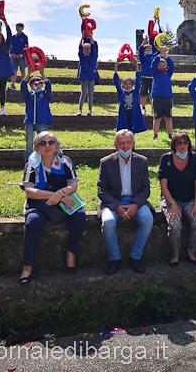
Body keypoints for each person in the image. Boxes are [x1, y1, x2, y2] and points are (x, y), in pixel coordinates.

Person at [20, 132, 85, 284]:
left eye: (51, 142)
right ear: (37, 148)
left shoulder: (65, 161)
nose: (47, 146)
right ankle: (27, 268)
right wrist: (55, 196)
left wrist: (60, 194)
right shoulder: (32, 165)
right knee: (33, 222)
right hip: (39, 205)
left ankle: (71, 255)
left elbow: (73, 185)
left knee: (80, 216)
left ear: (56, 145)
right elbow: (29, 192)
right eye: (43, 143)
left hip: (63, 201)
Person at [97, 129, 154, 275]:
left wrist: (136, 204)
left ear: (133, 144)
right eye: (121, 143)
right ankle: (114, 259)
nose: (125, 146)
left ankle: (135, 258)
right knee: (108, 223)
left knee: (147, 219)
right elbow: (102, 191)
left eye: (128, 142)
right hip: (113, 202)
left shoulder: (142, 161)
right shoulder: (106, 162)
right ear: (115, 145)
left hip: (136, 201)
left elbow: (145, 189)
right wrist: (116, 206)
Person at [159, 132, 196, 267]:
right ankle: (175, 254)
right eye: (179, 143)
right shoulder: (166, 158)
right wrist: (172, 205)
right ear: (174, 145)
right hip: (171, 198)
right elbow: (163, 186)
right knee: (175, 225)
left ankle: (191, 250)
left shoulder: (195, 157)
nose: (182, 145)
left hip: (190, 199)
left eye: (185, 142)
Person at [20, 68, 54, 163]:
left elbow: (49, 86)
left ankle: (43, 161)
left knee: (43, 142)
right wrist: (28, 74)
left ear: (42, 84)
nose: (36, 84)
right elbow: (23, 86)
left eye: (38, 83)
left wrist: (42, 74)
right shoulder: (29, 95)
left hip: (42, 120)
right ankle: (28, 162)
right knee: (29, 143)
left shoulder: (45, 95)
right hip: (30, 120)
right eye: (33, 83)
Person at [113, 59, 146, 134]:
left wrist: (136, 66)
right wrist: (116, 67)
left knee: (132, 133)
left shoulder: (135, 92)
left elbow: (138, 80)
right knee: (125, 132)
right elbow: (116, 82)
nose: (127, 85)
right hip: (124, 115)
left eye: (129, 84)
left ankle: (132, 141)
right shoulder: (121, 93)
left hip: (133, 114)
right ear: (122, 85)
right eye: (125, 83)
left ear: (132, 85)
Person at [151, 48, 174, 142]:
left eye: (163, 65)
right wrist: (160, 55)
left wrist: (166, 56)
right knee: (157, 118)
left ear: (166, 65)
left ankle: (170, 135)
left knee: (168, 118)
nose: (161, 67)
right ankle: (155, 135)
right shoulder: (155, 73)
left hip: (167, 98)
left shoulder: (168, 73)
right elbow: (153, 64)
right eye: (159, 65)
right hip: (157, 98)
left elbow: (172, 65)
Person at [76, 34, 99, 116]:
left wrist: (91, 37)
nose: (87, 50)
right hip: (84, 76)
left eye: (88, 48)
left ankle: (90, 110)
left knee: (90, 94)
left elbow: (93, 47)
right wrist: (82, 38)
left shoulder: (92, 55)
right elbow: (79, 47)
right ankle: (80, 110)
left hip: (91, 76)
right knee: (83, 93)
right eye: (85, 48)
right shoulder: (81, 56)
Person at [138, 36, 159, 116]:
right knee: (143, 95)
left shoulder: (154, 56)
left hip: (153, 78)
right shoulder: (143, 57)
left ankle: (153, 109)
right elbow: (140, 50)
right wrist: (144, 42)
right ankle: (143, 109)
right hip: (144, 78)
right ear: (145, 50)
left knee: (152, 95)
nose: (149, 49)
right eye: (147, 48)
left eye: (150, 48)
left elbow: (159, 50)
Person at [8, 23, 28, 90]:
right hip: (14, 56)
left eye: (18, 27)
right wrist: (12, 53)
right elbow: (11, 46)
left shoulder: (25, 37)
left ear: (22, 28)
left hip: (22, 56)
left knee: (22, 70)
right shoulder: (13, 37)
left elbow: (26, 47)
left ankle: (23, 85)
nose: (17, 29)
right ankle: (13, 84)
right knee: (14, 70)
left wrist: (21, 54)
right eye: (16, 27)